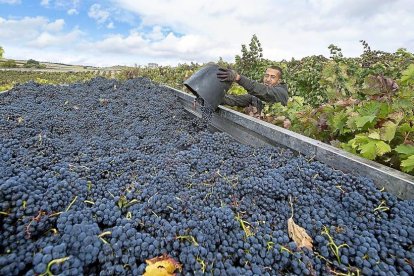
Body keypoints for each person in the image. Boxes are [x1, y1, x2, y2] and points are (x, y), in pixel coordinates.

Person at [216, 66, 289, 116]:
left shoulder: (281, 93)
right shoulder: (257, 96)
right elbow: (236, 100)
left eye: (272, 77)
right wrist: (215, 96)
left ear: (279, 81)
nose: (268, 79)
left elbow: (265, 92)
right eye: (266, 76)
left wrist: (239, 78)